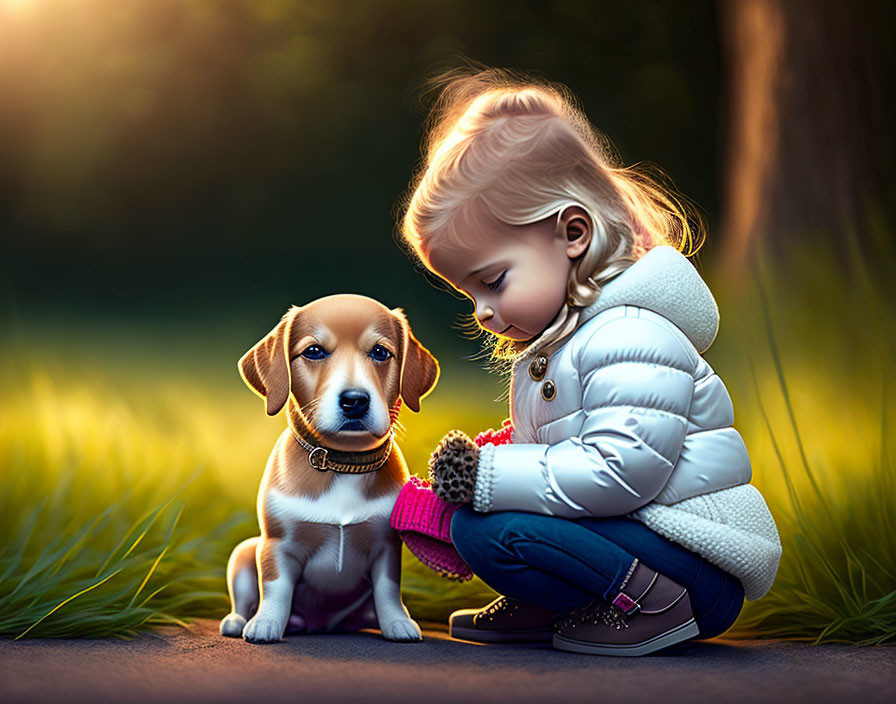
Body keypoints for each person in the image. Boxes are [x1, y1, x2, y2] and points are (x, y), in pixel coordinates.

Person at [395, 67, 781, 656]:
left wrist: (491, 478)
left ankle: (654, 605)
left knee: (490, 524)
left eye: (494, 281)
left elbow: (622, 472)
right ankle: (562, 600)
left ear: (572, 232)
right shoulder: (561, 345)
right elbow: (562, 465)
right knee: (476, 527)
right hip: (638, 537)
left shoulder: (632, 334)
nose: (482, 311)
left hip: (693, 564)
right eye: (469, 293)